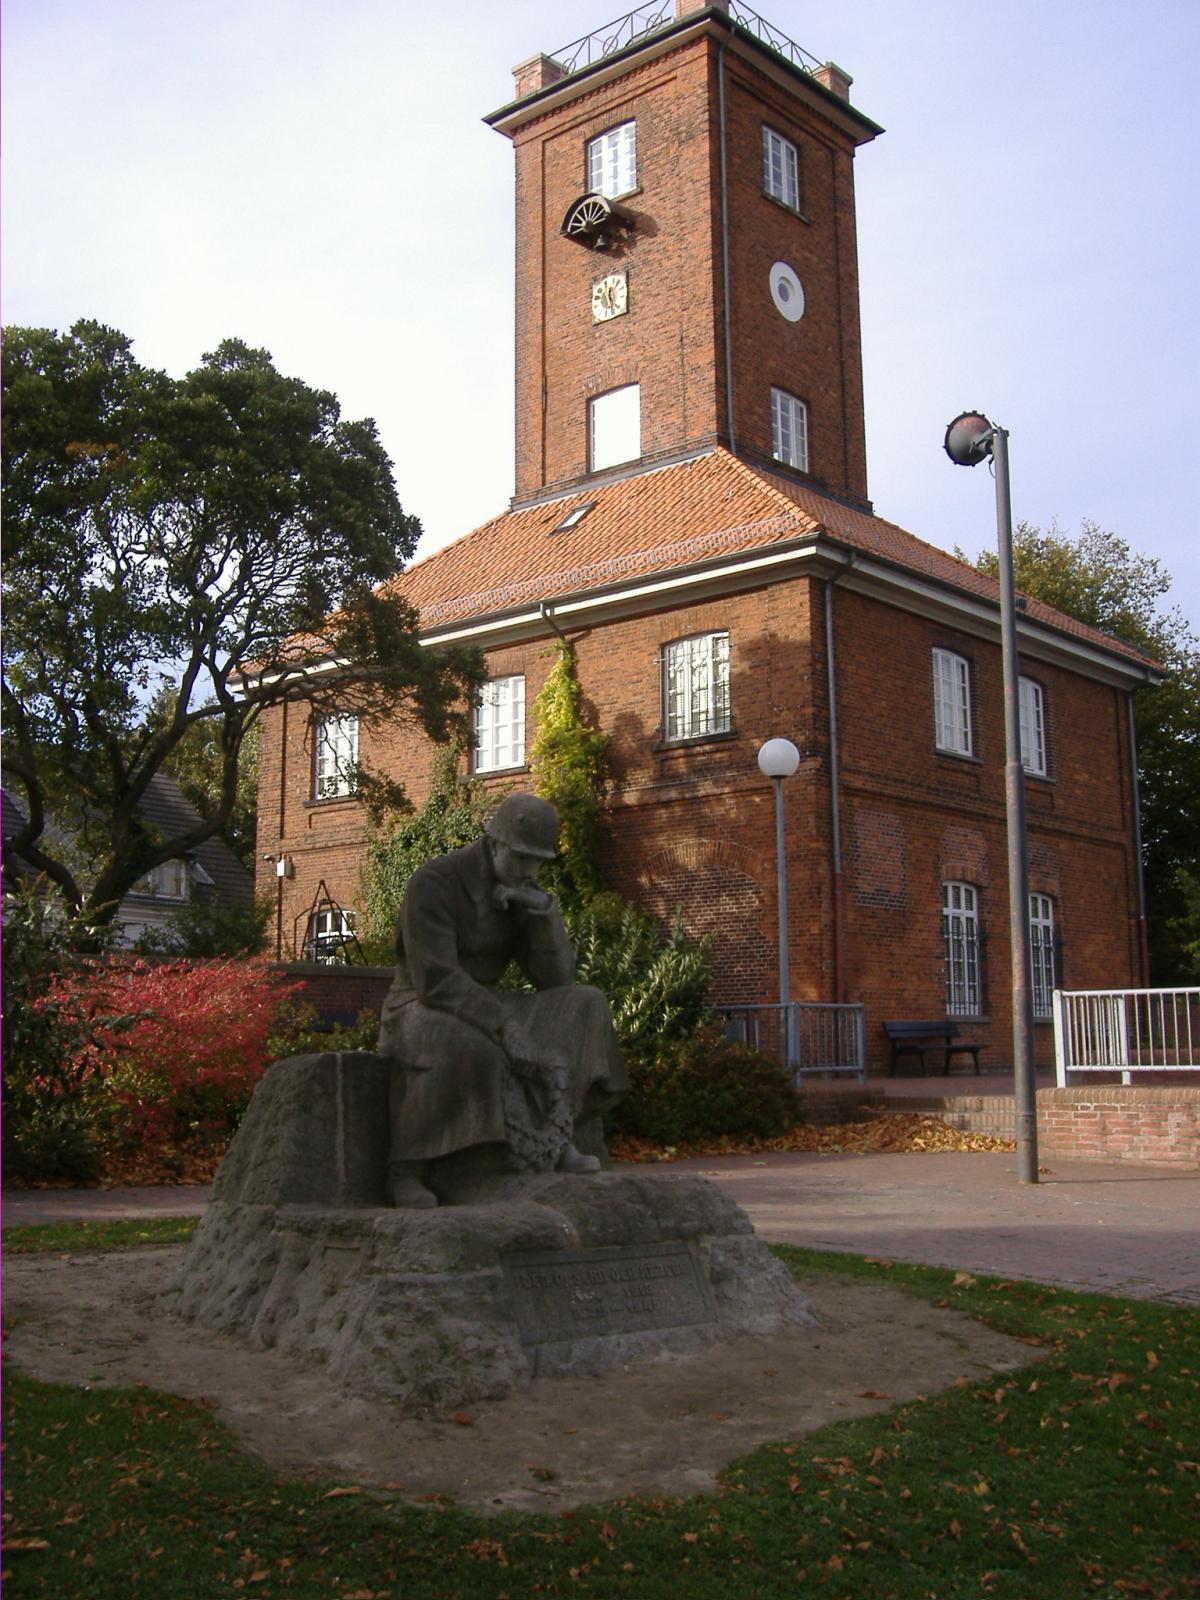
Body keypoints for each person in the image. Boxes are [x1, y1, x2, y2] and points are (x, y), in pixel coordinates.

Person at [377, 794, 628, 1207]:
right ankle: (408, 1168)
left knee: (586, 1004)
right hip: (418, 1007)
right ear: (495, 844)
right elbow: (435, 979)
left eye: (537, 862)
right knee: (475, 1044)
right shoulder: (435, 882)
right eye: (522, 858)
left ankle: (555, 1139)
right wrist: (504, 1026)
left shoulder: (523, 891)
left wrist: (543, 914)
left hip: (486, 1002)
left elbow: (556, 981)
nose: (529, 871)